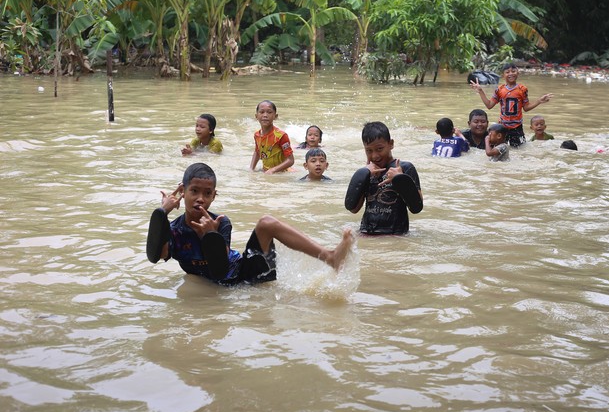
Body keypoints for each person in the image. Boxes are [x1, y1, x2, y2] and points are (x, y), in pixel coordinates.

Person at [146, 162, 354, 285]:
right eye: (194, 191)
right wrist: (163, 212)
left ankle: (329, 257)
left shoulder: (220, 222)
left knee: (266, 223)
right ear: (182, 191)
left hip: (244, 273)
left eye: (207, 193)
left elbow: (221, 267)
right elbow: (158, 254)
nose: (200, 198)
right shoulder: (174, 231)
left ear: (214, 196)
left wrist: (210, 235)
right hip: (222, 286)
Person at [344, 121, 423, 235]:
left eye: (379, 149)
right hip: (366, 233)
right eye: (369, 151)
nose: (375, 156)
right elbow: (353, 209)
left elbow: (416, 207)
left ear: (391, 144)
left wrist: (400, 179)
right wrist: (363, 176)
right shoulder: (367, 173)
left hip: (395, 235)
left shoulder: (404, 168)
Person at [470, 63, 554, 147]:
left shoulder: (522, 89)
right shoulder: (499, 90)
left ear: (518, 73)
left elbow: (526, 108)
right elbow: (489, 105)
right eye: (507, 72)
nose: (511, 74)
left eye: (513, 71)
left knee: (519, 149)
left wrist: (539, 101)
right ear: (503, 75)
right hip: (503, 126)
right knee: (500, 148)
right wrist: (480, 91)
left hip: (517, 127)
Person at [249, 100, 295, 173]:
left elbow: (290, 160)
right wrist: (251, 168)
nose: (265, 115)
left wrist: (273, 170)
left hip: (282, 172)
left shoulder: (281, 136)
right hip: (267, 171)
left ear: (275, 116)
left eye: (269, 112)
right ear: (256, 116)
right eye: (261, 112)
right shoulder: (257, 135)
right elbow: (257, 152)